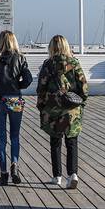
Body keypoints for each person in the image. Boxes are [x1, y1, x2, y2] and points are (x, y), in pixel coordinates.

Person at [36, 35, 87, 189]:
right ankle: (73, 174)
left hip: (53, 107)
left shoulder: (48, 64)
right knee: (72, 141)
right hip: (72, 108)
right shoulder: (74, 62)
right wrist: (82, 102)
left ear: (51, 47)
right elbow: (83, 85)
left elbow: (41, 87)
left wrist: (41, 105)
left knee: (55, 141)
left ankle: (57, 176)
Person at [0, 31, 32, 185]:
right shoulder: (20, 58)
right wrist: (17, 85)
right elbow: (28, 79)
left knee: (1, 137)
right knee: (15, 136)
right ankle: (15, 166)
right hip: (15, 99)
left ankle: (3, 173)